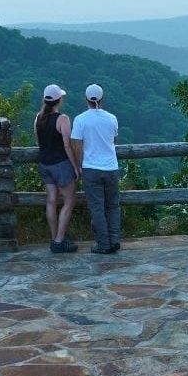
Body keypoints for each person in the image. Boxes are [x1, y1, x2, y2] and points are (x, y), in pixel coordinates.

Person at [70, 83, 121, 254]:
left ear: (86, 99)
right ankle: (114, 240)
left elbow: (77, 145)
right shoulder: (111, 118)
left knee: (97, 207)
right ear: (102, 99)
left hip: (91, 168)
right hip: (111, 167)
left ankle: (103, 243)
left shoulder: (80, 119)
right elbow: (114, 139)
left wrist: (78, 165)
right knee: (113, 206)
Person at [36, 84, 79, 253]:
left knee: (51, 201)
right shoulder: (63, 119)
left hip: (44, 164)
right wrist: (75, 167)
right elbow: (67, 145)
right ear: (59, 100)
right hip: (60, 164)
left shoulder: (38, 118)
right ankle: (60, 240)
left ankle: (54, 239)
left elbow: (39, 143)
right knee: (69, 201)